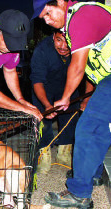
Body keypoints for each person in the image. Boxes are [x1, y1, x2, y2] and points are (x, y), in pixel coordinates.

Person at [32, 0, 111, 209]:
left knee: (86, 129)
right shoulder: (77, 18)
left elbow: (78, 66)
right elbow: (93, 67)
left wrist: (65, 97)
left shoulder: (81, 17)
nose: (47, 21)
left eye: (48, 12)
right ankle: (90, 176)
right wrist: (86, 97)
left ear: (61, 2)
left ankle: (79, 193)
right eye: (43, 18)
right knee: (97, 129)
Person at [30, 29, 80, 174]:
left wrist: (87, 99)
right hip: (44, 88)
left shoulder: (81, 48)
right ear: (53, 36)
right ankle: (43, 157)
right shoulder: (42, 50)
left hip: (70, 86)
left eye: (68, 41)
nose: (64, 46)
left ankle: (64, 153)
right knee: (42, 122)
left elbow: (88, 72)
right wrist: (47, 105)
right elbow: (37, 81)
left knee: (71, 118)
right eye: (59, 40)